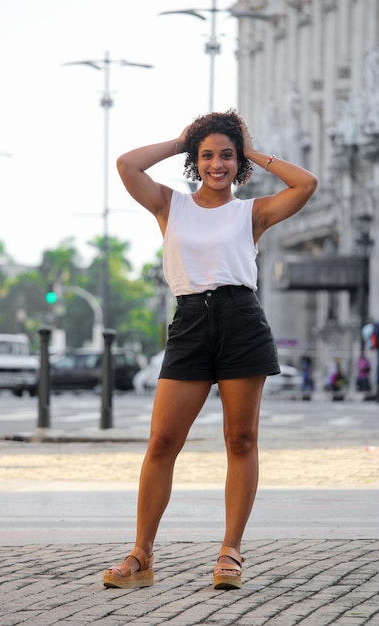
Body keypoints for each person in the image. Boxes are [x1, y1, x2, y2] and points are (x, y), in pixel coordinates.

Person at [103, 109, 318, 590]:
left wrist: (254, 151)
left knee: (240, 441)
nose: (217, 164)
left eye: (226, 156)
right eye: (207, 155)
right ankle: (142, 553)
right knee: (162, 441)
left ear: (237, 162)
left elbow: (305, 184)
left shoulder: (252, 212)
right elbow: (126, 165)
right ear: (194, 160)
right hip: (190, 322)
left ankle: (230, 550)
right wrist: (180, 141)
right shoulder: (168, 205)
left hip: (241, 320)